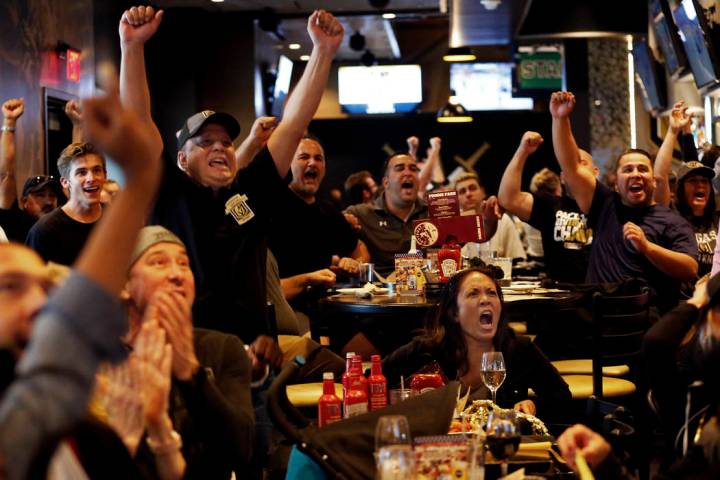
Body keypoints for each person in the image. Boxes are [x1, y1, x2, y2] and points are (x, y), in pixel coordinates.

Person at [118, 6, 343, 364]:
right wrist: (131, 48)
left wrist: (323, 52)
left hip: (257, 359)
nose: (220, 147)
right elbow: (137, 122)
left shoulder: (252, 189)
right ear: (182, 159)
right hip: (189, 357)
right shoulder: (168, 192)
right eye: (205, 142)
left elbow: (294, 124)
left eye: (225, 142)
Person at [0, 64, 163, 479]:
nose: (40, 300)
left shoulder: (53, 412)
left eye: (40, 286)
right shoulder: (16, 427)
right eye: (12, 286)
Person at [122, 226, 255, 479]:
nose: (176, 274)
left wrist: (191, 375)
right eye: (158, 262)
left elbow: (242, 449)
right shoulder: (101, 357)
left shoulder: (223, 348)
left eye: (184, 264)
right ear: (124, 285)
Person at [550, 91, 697, 312]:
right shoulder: (603, 204)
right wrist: (560, 119)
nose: (636, 174)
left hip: (644, 324)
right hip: (598, 320)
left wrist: (647, 247)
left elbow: (690, 269)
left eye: (642, 169)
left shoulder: (671, 220)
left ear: (653, 181)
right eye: (627, 170)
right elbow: (571, 165)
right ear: (616, 183)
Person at [382, 266, 571, 420]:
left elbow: (562, 397)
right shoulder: (427, 350)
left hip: (497, 450)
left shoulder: (518, 349)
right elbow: (373, 379)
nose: (485, 300)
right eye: (473, 294)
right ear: (454, 313)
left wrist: (533, 404)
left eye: (492, 293)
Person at [498, 131, 596, 283]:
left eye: (581, 163)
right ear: (562, 177)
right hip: (561, 298)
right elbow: (508, 198)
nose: (576, 170)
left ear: (596, 172)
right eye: (571, 165)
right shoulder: (551, 205)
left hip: (601, 296)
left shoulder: (609, 204)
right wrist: (522, 151)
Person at [268, 136, 369, 280]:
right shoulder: (271, 206)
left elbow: (359, 248)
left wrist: (356, 263)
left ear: (324, 168)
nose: (312, 163)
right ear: (288, 163)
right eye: (304, 157)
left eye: (318, 158)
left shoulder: (328, 211)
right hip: (280, 299)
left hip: (323, 299)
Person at [655, 102, 718, 277]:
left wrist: (687, 129)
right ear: (680, 189)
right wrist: (673, 131)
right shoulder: (670, 216)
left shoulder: (716, 219)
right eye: (693, 181)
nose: (700, 185)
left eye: (705, 181)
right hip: (683, 300)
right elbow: (659, 178)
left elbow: (690, 160)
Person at [344, 153, 428, 275]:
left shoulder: (434, 213)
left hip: (427, 289)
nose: (408, 173)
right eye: (400, 168)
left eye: (413, 169)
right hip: (379, 290)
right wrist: (342, 260)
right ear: (386, 182)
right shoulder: (360, 214)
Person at [25, 142, 107, 265]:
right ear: (65, 182)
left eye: (97, 170)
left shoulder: (116, 219)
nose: (91, 178)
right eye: (81, 172)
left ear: (105, 176)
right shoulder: (44, 231)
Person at [0, 98, 64, 242]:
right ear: (24, 202)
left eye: (52, 195)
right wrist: (9, 122)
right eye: (40, 195)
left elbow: (74, 170)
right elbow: (5, 175)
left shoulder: (60, 223)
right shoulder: (16, 222)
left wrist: (78, 124)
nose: (48, 201)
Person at [454, 172, 526, 261]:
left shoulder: (502, 219)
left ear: (483, 192)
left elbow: (517, 258)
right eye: (462, 191)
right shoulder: (453, 226)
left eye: (472, 188)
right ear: (456, 199)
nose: (468, 194)